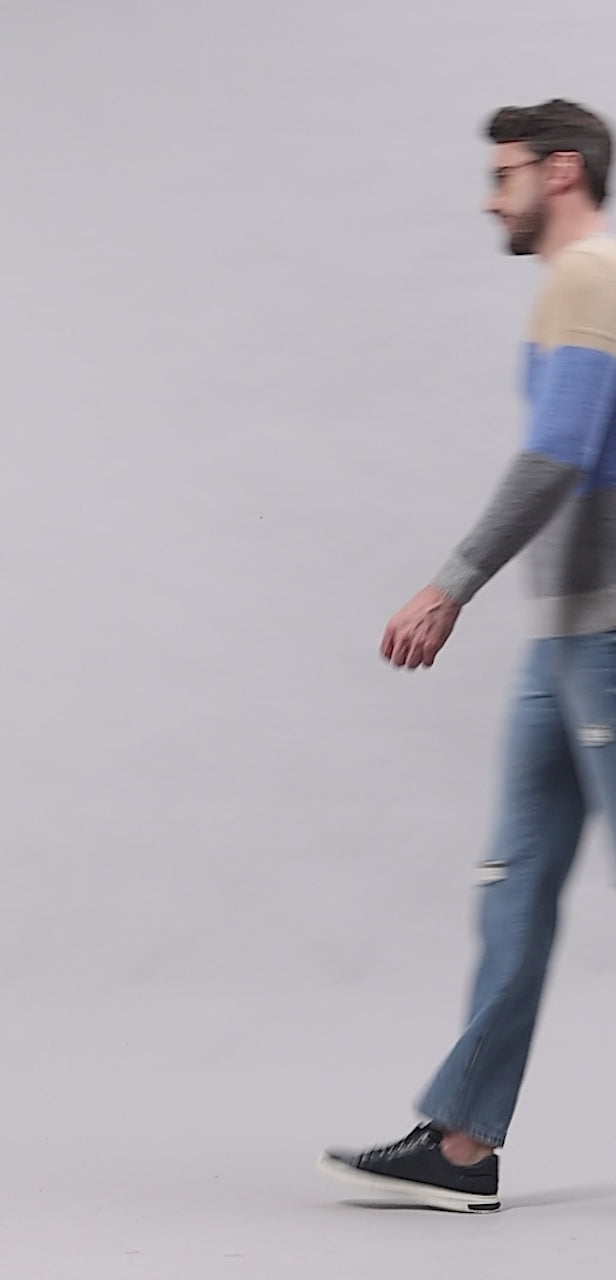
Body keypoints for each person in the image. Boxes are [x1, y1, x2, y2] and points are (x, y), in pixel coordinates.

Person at [317, 99, 616, 1214]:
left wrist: (450, 582)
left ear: (562, 170)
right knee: (513, 885)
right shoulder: (574, 283)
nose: (492, 202)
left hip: (607, 634)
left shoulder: (590, 276)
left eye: (505, 176)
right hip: (566, 639)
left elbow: (557, 454)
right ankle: (461, 1146)